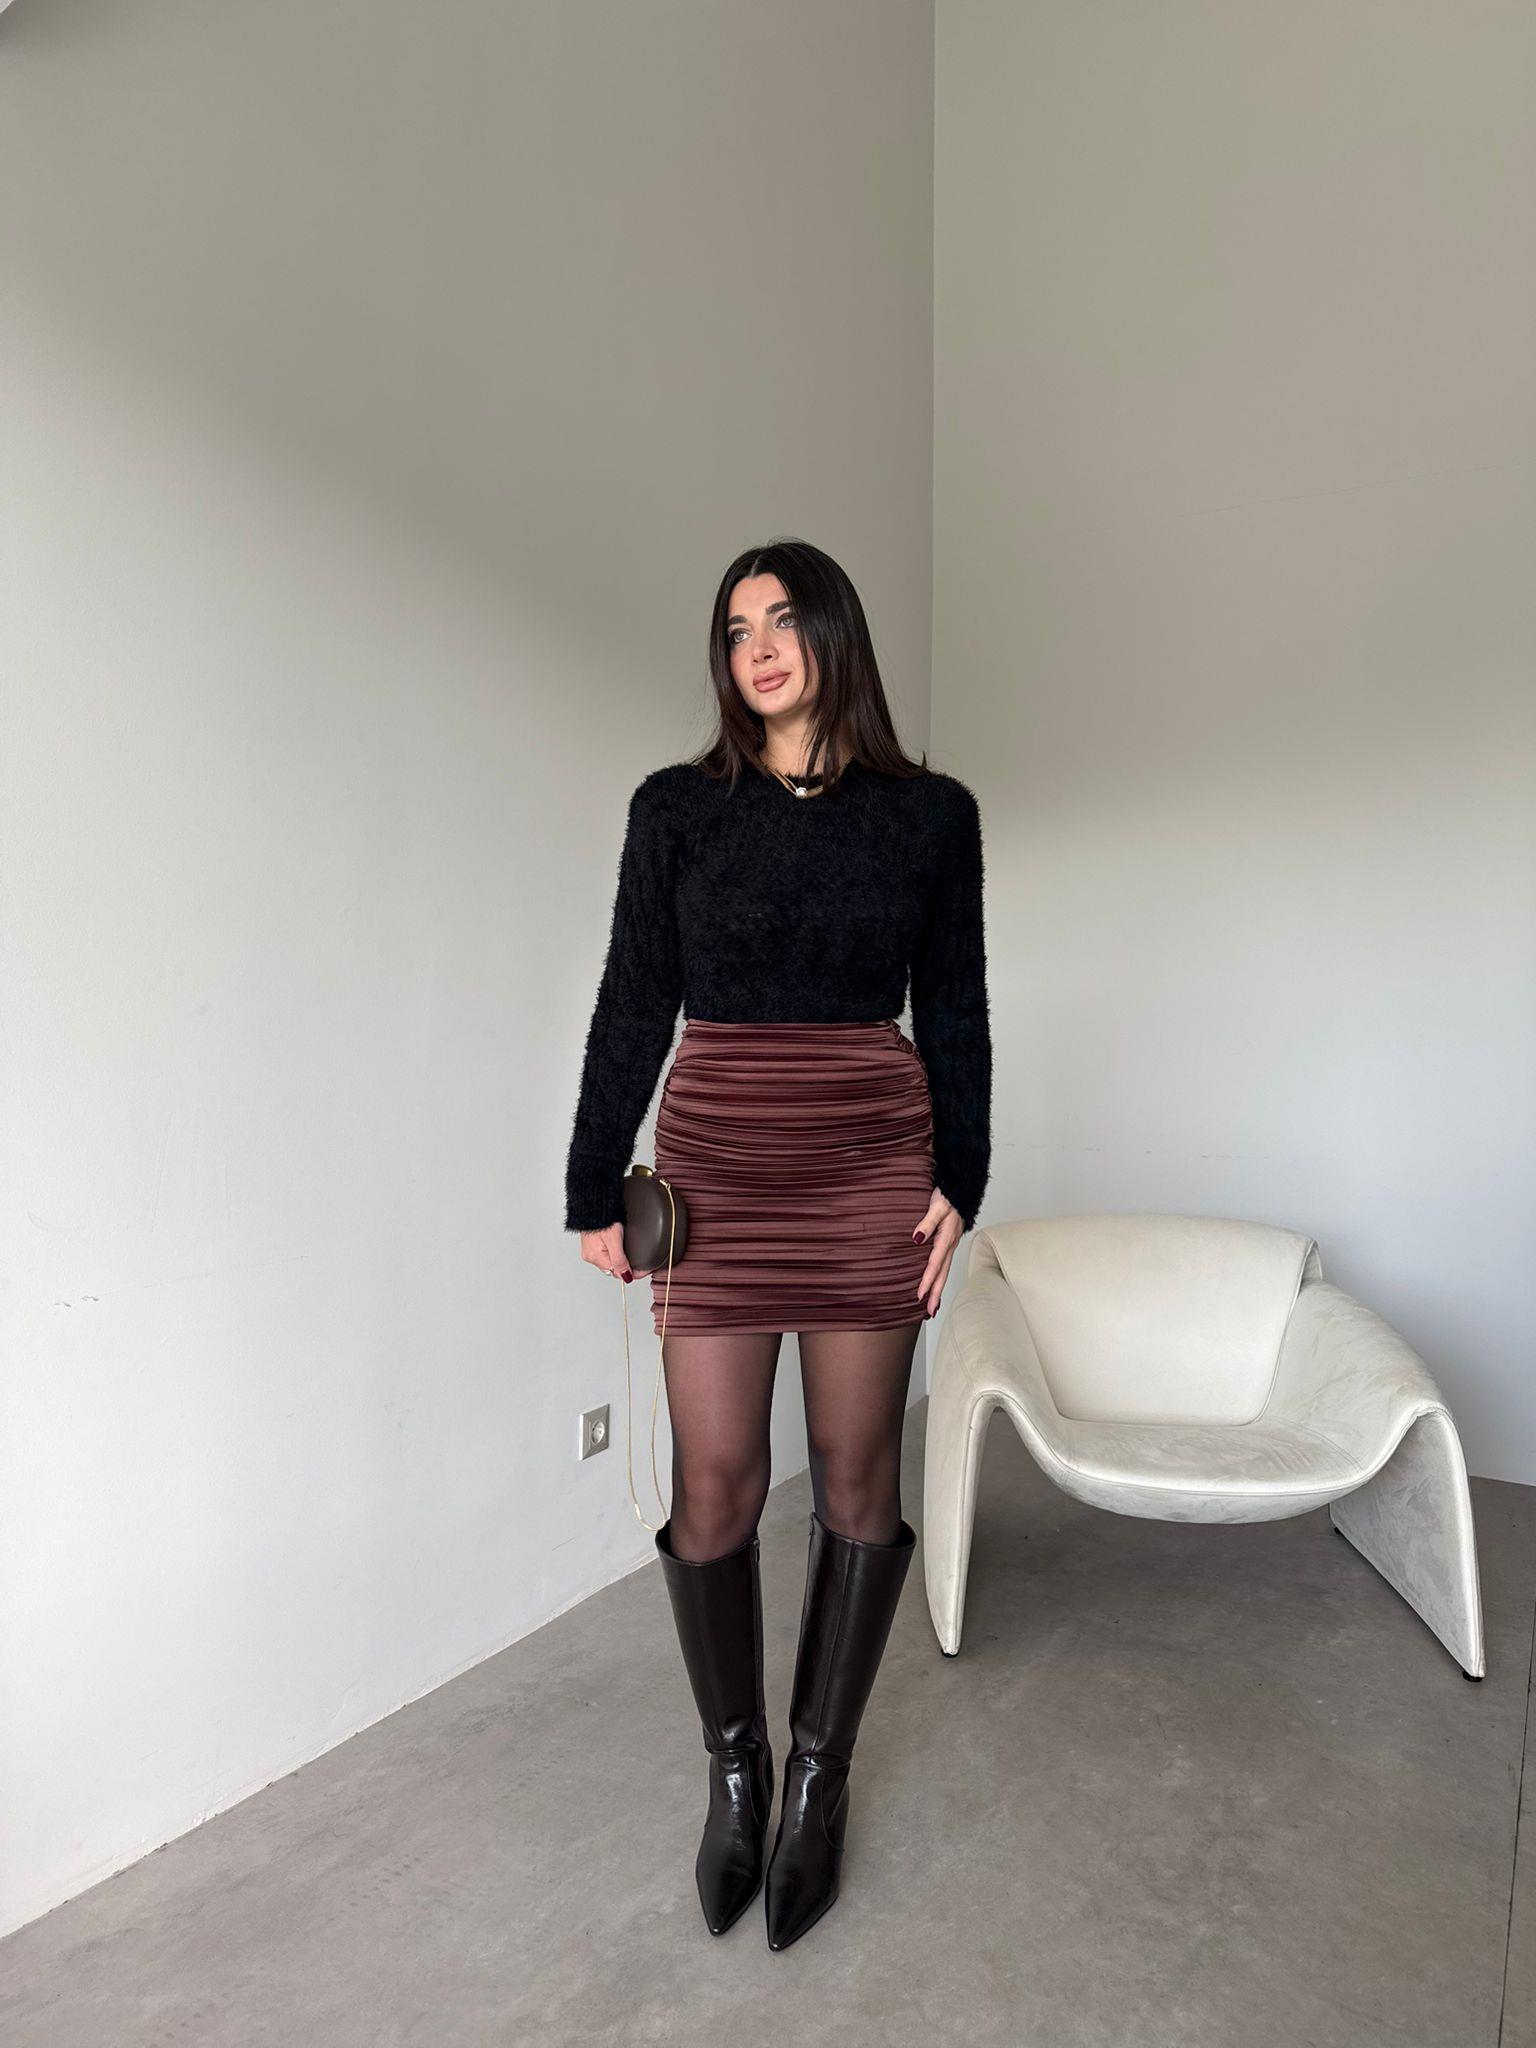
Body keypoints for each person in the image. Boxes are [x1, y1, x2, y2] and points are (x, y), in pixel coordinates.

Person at [563, 537, 992, 1951]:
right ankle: (736, 1771)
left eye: (783, 619)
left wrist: (962, 1176)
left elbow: (957, 1004)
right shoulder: (676, 809)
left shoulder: (928, 816)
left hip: (871, 1161)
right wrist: (591, 1183)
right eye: (736, 626)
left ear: (835, 635)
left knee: (859, 1479)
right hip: (718, 1162)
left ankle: (820, 1777)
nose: (757, 647)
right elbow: (634, 998)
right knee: (719, 1481)